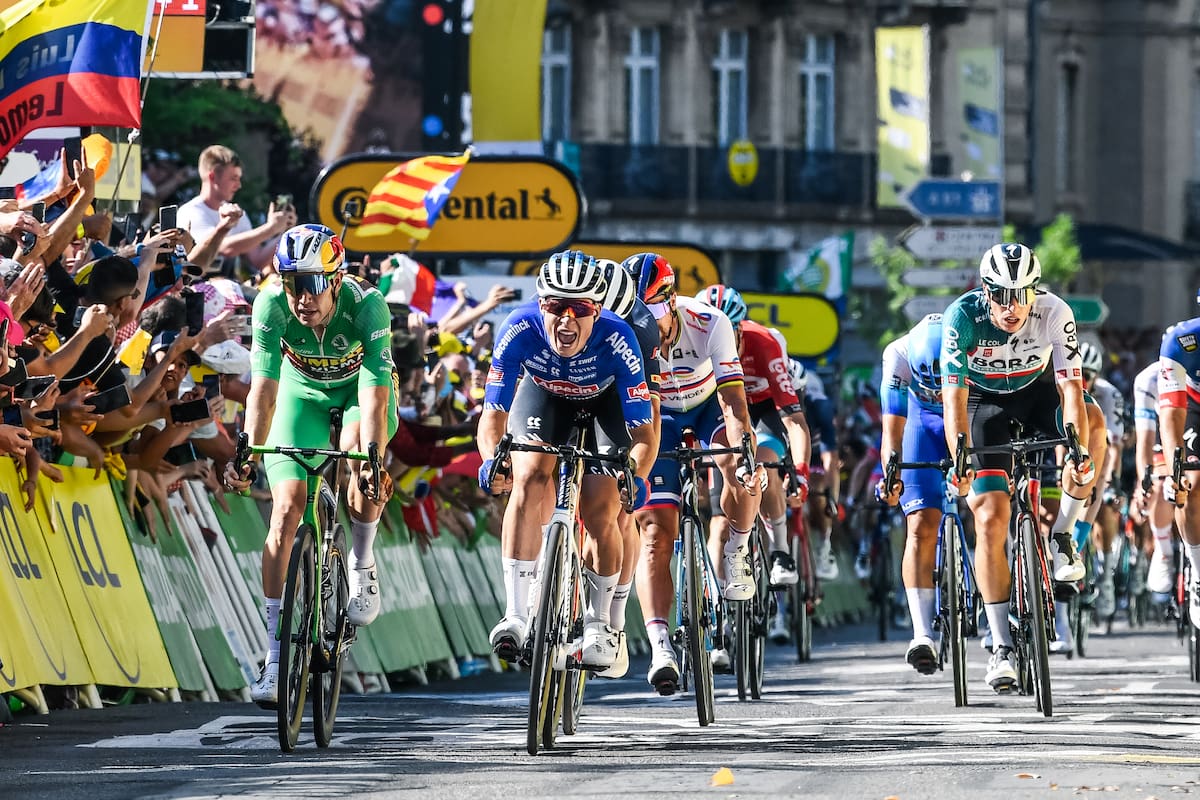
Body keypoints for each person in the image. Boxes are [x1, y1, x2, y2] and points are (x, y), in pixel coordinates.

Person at [224, 223, 397, 707]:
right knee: (285, 510)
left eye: (314, 285)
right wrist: (246, 452)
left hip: (358, 394)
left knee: (360, 454)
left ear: (336, 280)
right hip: (301, 396)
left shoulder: (367, 306)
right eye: (292, 284)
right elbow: (263, 390)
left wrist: (373, 459)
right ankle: (275, 655)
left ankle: (361, 560)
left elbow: (375, 398)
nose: (302, 299)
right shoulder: (269, 305)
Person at [477, 251, 657, 670]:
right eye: (557, 307)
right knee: (527, 477)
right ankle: (516, 614)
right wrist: (490, 460)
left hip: (606, 405)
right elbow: (493, 414)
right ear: (541, 305)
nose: (566, 319)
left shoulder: (619, 338)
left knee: (600, 511)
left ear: (598, 311)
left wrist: (636, 474)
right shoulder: (519, 327)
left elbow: (644, 434)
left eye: (580, 309)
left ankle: (599, 623)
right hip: (545, 397)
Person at [941, 242, 1098, 693]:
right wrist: (960, 457)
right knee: (991, 517)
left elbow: (1071, 391)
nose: (1011, 307)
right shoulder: (962, 317)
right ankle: (1001, 646)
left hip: (1037, 393)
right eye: (1001, 295)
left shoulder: (1055, 311)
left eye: (1021, 294)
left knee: (1094, 425)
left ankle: (1064, 533)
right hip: (983, 402)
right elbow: (953, 400)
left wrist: (1078, 451)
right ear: (984, 291)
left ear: (1035, 291)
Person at [623, 254, 764, 693]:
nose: (647, 327)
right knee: (654, 532)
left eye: (653, 316)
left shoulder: (710, 323)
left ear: (671, 301)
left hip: (707, 407)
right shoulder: (624, 332)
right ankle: (661, 645)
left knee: (736, 462)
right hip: (658, 417)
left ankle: (738, 548)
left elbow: (734, 402)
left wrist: (743, 453)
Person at [695, 285, 810, 666]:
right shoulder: (696, 345)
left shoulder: (763, 342)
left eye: (732, 330)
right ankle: (716, 610)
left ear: (741, 327)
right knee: (718, 521)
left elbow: (794, 420)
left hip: (764, 412)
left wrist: (801, 471)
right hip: (721, 411)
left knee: (765, 465)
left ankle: (779, 553)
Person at [876, 313, 953, 674]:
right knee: (920, 524)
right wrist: (892, 475)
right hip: (920, 419)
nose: (936, 392)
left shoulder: (968, 344)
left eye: (940, 386)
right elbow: (891, 432)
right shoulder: (898, 355)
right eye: (930, 384)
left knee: (991, 507)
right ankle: (922, 633)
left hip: (967, 407)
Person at [176, 145, 296, 275]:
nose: (239, 185)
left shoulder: (237, 213)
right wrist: (270, 228)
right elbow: (223, 248)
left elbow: (258, 259)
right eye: (233, 178)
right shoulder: (190, 212)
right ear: (212, 176)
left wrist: (285, 232)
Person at [1155, 292, 1200, 629]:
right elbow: (1171, 413)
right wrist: (1176, 470)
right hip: (1192, 405)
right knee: (1190, 483)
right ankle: (1198, 574)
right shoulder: (1181, 340)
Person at [1130, 358, 1174, 595]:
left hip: (1191, 426)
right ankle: (1163, 550)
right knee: (1159, 482)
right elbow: (1145, 442)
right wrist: (1143, 484)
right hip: (1161, 435)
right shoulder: (1147, 380)